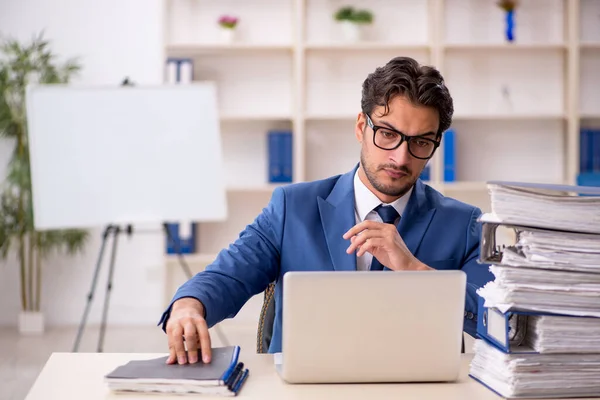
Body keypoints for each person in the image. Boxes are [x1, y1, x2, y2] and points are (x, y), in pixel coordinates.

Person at [158, 56, 494, 365]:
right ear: (362, 127)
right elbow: (228, 275)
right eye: (388, 134)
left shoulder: (464, 224)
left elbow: (498, 323)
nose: (401, 157)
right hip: (306, 388)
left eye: (421, 142)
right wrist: (189, 306)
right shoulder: (293, 207)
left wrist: (416, 272)